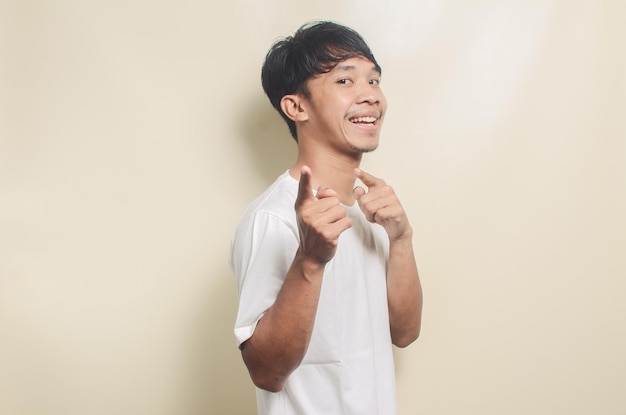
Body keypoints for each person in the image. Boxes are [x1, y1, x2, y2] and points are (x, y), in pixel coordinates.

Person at [230, 20, 423, 415]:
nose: (370, 96)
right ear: (296, 106)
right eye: (345, 81)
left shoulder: (373, 210)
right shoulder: (272, 218)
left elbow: (404, 333)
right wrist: (310, 260)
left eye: (374, 80)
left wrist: (401, 240)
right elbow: (265, 371)